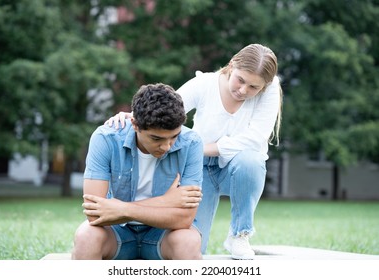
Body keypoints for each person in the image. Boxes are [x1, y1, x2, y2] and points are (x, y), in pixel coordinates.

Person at [107, 43, 283, 259]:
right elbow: (168, 109)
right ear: (231, 65)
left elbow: (255, 139)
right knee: (192, 248)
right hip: (198, 168)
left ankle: (239, 234)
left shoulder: (270, 88)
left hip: (236, 167)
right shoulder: (205, 84)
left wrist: (201, 148)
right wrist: (133, 116)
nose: (243, 90)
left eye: (253, 87)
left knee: (252, 160)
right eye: (241, 80)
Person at [72, 83, 204, 260]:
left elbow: (184, 218)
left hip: (163, 233)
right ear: (135, 124)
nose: (166, 146)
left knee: (188, 241)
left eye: (174, 136)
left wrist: (122, 209)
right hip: (117, 232)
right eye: (156, 138)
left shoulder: (192, 143)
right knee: (86, 237)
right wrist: (165, 202)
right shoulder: (106, 138)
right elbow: (95, 214)